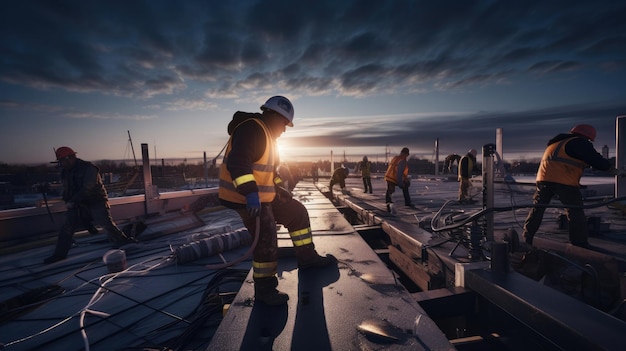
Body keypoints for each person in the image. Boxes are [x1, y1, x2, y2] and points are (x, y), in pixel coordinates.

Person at [218, 96, 335, 305]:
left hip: (263, 196)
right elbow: (238, 162)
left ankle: (308, 259)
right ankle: (265, 290)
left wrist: (278, 187)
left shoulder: (268, 137)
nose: (284, 130)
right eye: (284, 124)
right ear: (273, 116)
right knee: (266, 235)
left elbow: (268, 171)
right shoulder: (252, 129)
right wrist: (250, 192)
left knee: (297, 213)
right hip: (244, 197)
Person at [522, 124, 613, 248]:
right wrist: (610, 168)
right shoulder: (579, 143)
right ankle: (579, 242)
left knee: (538, 208)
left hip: (543, 180)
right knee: (575, 211)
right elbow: (597, 161)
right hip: (564, 182)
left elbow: (563, 162)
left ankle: (527, 236)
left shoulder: (556, 143)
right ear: (587, 137)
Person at [44, 147, 135, 263]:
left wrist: (73, 201)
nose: (61, 164)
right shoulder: (66, 171)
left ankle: (122, 240)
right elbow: (67, 189)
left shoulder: (89, 169)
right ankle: (59, 254)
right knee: (67, 227)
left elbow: (88, 188)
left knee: (105, 223)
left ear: (69, 159)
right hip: (78, 201)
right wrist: (67, 199)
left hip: (95, 200)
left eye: (61, 161)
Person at [384, 147, 413, 211]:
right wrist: (401, 183)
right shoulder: (402, 161)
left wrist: (405, 180)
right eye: (407, 154)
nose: (407, 156)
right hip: (393, 178)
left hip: (389, 177)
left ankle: (388, 203)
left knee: (390, 190)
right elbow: (399, 173)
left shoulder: (396, 158)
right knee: (404, 187)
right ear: (405, 154)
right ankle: (407, 203)